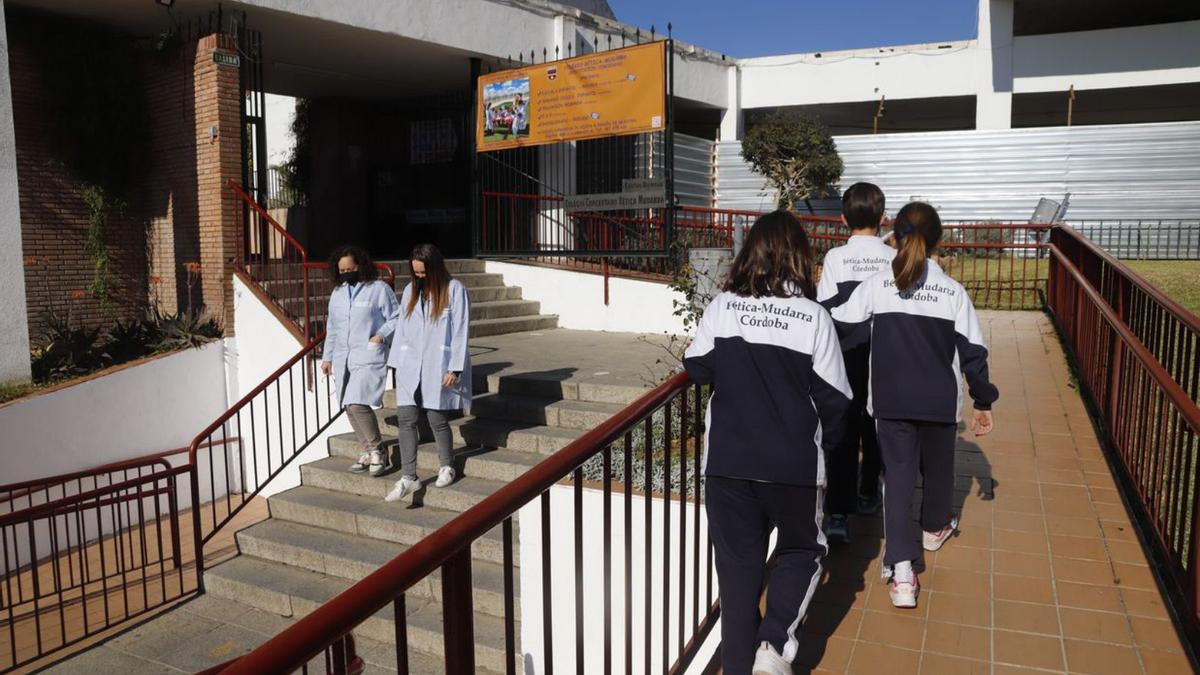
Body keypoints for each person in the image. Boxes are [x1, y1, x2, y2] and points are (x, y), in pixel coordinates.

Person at [684, 211, 851, 675]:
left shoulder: (724, 307)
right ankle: (774, 646)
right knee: (802, 551)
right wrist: (826, 452)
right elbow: (836, 400)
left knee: (738, 583)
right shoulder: (815, 317)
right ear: (801, 257)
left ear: (748, 253)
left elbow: (696, 365)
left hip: (728, 467)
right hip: (794, 466)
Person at [831, 202, 998, 609]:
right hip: (939, 400)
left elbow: (841, 318)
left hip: (889, 400)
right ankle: (935, 528)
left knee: (899, 478)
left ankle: (901, 572)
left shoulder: (877, 284)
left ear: (895, 235)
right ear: (939, 239)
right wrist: (983, 400)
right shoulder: (953, 292)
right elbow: (973, 352)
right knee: (939, 470)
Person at [816, 182, 896, 543]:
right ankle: (868, 494)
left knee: (843, 428)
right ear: (882, 218)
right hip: (884, 352)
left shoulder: (834, 258)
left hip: (844, 352)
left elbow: (827, 308)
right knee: (875, 422)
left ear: (842, 219)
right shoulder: (894, 258)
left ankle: (837, 514)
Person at [384, 244, 473, 503]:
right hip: (411, 364)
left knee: (436, 417)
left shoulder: (454, 289)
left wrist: (455, 368)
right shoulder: (411, 291)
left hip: (439, 364)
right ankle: (408, 477)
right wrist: (397, 362)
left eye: (423, 273)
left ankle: (447, 465)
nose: (420, 278)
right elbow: (402, 327)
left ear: (434, 268)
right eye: (416, 274)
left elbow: (461, 331)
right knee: (406, 419)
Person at [320, 246, 400, 477]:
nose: (346, 273)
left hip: (368, 354)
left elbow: (396, 318)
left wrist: (380, 335)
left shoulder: (378, 289)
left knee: (357, 403)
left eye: (350, 268)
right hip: (343, 356)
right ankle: (367, 450)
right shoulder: (338, 293)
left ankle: (378, 451)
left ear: (361, 266)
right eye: (342, 270)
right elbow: (332, 328)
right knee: (348, 404)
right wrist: (327, 357)